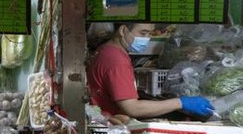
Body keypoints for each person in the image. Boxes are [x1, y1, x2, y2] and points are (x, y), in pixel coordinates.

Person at [87, 22, 215, 123]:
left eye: (149, 34)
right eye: (143, 33)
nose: (147, 39)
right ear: (123, 30)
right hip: (108, 123)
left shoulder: (106, 50)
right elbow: (133, 108)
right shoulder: (116, 60)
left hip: (108, 118)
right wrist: (180, 103)